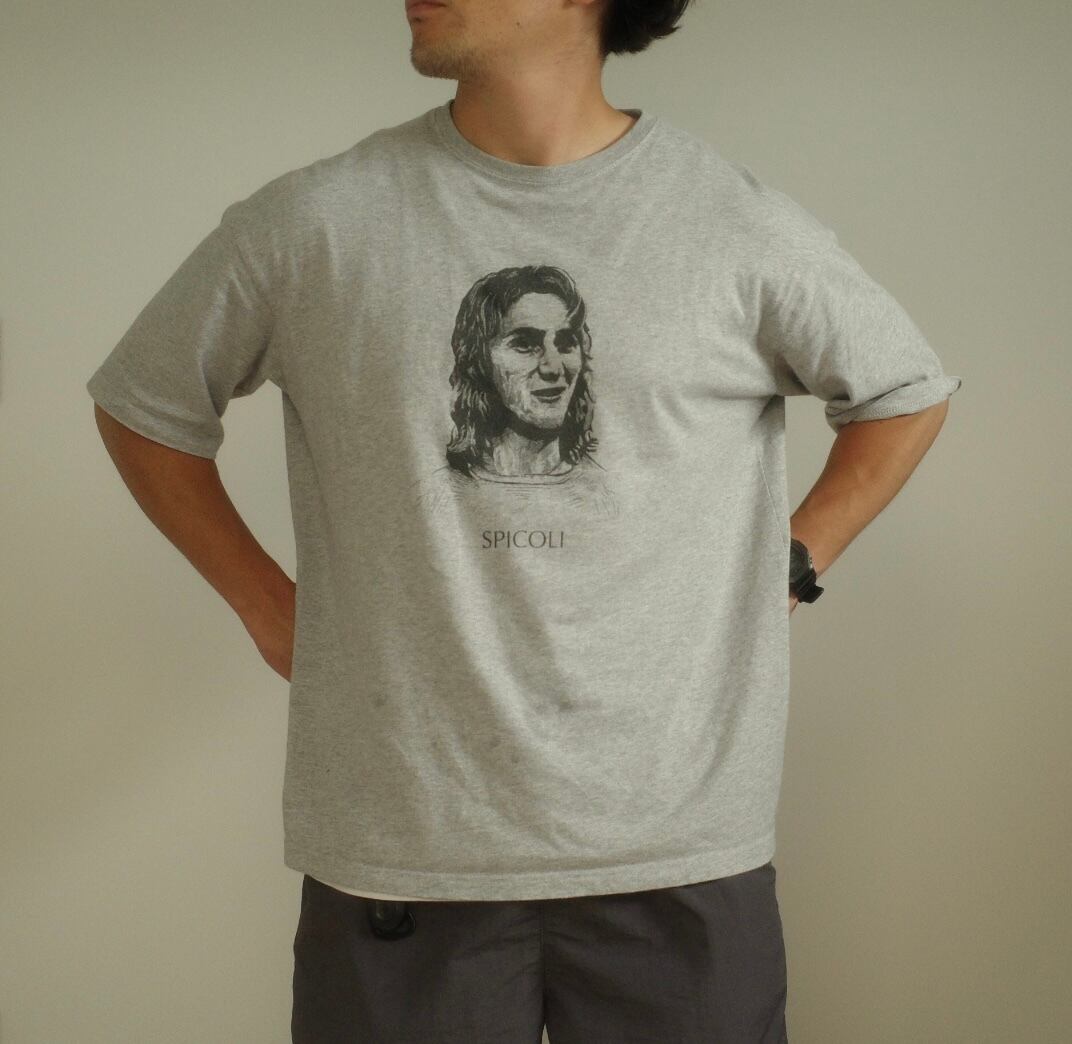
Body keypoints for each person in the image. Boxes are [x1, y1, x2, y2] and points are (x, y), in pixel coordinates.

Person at [85, 0, 962, 1040]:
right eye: (517, 346)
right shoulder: (316, 222)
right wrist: (262, 601)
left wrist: (793, 561)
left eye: (563, 345)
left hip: (678, 844)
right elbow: (144, 404)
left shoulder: (729, 221)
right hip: (406, 851)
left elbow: (904, 390)